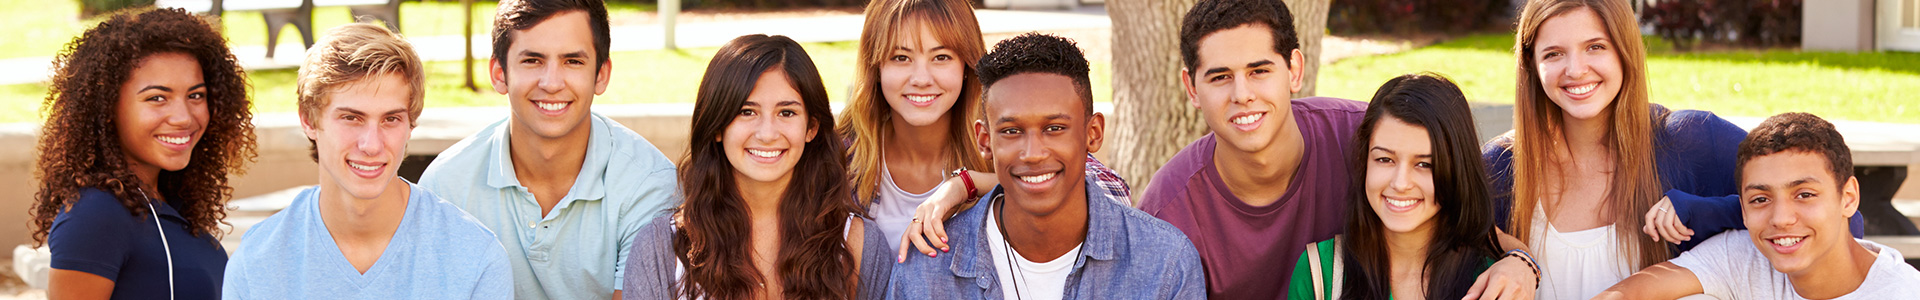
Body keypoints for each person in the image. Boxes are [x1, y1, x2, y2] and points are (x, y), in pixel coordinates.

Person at [1136, 0, 1537, 298]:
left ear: (1293, 70)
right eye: (1220, 77)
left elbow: (1473, 219)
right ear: (1192, 88)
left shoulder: (1365, 136)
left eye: (1259, 71)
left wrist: (1523, 264)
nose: (1243, 95)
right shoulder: (1168, 211)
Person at [1484, 0, 1861, 298]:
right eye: (1553, 54)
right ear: (1531, 66)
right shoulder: (1502, 167)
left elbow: (1842, 226)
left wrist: (1704, 211)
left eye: (1595, 47)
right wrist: (1518, 257)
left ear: (1625, 52)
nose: (1576, 69)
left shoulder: (1693, 141)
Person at [886, 33, 1204, 299]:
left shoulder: (1164, 263)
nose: (1033, 153)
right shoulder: (926, 271)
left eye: (1054, 128)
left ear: (1093, 134)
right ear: (984, 141)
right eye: (1011, 131)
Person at [221, 23, 511, 299]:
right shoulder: (257, 265)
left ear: (411, 125)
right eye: (351, 118)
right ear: (308, 119)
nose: (371, 145)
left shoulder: (474, 258)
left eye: (391, 119)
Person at [416, 0, 682, 298]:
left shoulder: (650, 186)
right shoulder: (446, 185)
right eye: (532, 60)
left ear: (601, 74)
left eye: (573, 61)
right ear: (499, 73)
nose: (552, 83)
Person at [837, 0, 1133, 260]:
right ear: (875, 67)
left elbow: (1112, 197)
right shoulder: (841, 157)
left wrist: (965, 184)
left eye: (941, 57)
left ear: (967, 66)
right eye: (901, 58)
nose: (921, 78)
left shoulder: (1001, 138)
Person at [621, 34, 892, 300]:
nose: (767, 133)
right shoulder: (660, 249)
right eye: (746, 112)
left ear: (811, 127)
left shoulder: (859, 243)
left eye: (787, 113)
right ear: (717, 126)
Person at [31, 8, 256, 300]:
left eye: (195, 95)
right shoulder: (95, 215)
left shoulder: (168, 200)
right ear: (108, 108)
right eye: (157, 98)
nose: (183, 117)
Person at [1594, 112, 1920, 299]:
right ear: (1743, 209)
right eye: (1761, 200)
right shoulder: (1744, 257)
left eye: (1804, 194)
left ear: (1848, 197)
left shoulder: (1900, 292)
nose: (1781, 219)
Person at [1288, 74, 1503, 300]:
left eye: (1424, 164)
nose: (1400, 183)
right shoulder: (1320, 273)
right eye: (1384, 159)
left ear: (1457, 169)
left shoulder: (1490, 279)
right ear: (1365, 161)